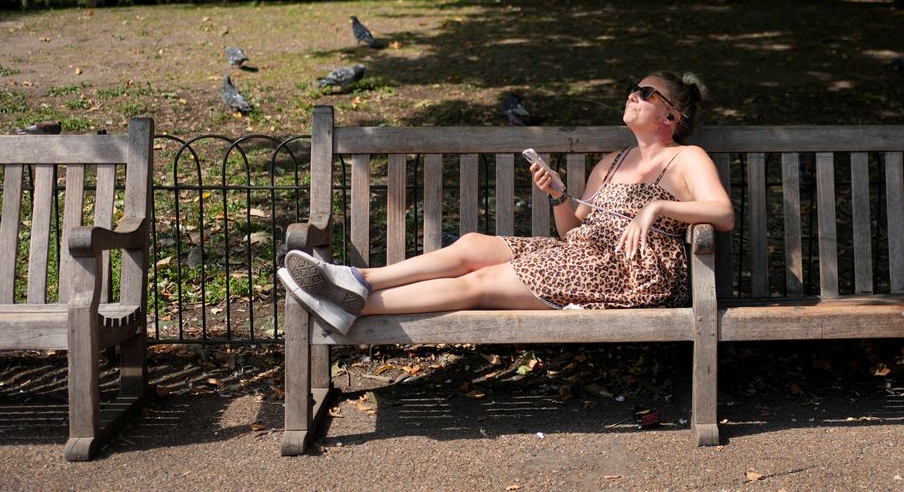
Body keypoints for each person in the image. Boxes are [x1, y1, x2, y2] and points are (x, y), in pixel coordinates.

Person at [278, 71, 735, 335]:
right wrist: (558, 193)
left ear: (671, 115)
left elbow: (723, 213)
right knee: (475, 244)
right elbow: (571, 233)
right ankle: (357, 280)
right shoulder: (611, 164)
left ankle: (354, 305)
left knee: (484, 281)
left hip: (634, 274)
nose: (632, 95)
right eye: (633, 89)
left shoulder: (685, 158)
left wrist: (657, 208)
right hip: (584, 258)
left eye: (646, 93)